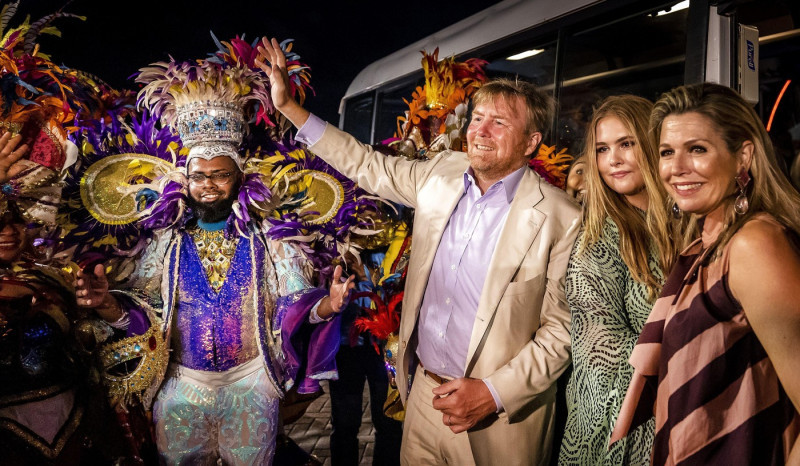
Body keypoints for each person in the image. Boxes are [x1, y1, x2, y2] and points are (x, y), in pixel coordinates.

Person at [259, 38, 581, 465]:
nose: (479, 131)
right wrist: (287, 106)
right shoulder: (441, 174)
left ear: (530, 142)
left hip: (499, 420)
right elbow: (364, 163)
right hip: (425, 399)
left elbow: (562, 332)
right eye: (477, 118)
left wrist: (493, 392)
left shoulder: (560, 216)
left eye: (498, 123)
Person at [75, 52, 354, 465]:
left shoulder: (270, 240)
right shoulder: (162, 241)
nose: (208, 186)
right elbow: (146, 313)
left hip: (251, 382)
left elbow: (294, 303)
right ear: (184, 179)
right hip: (180, 386)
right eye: (198, 176)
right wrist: (107, 304)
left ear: (239, 177)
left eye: (220, 175)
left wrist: (329, 304)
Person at [610, 83, 800, 464]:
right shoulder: (703, 245)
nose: (677, 168)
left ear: (743, 156)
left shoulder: (753, 245)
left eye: (697, 149)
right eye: (667, 152)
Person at [558, 96, 676, 465]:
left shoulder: (687, 219)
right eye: (602, 149)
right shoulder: (597, 239)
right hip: (619, 427)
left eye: (627, 143)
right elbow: (600, 347)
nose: (614, 159)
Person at [329, 251, 402, 466]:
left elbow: (396, 287)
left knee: (388, 420)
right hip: (345, 346)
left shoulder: (390, 245)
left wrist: (363, 273)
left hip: (383, 344)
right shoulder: (333, 245)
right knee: (344, 423)